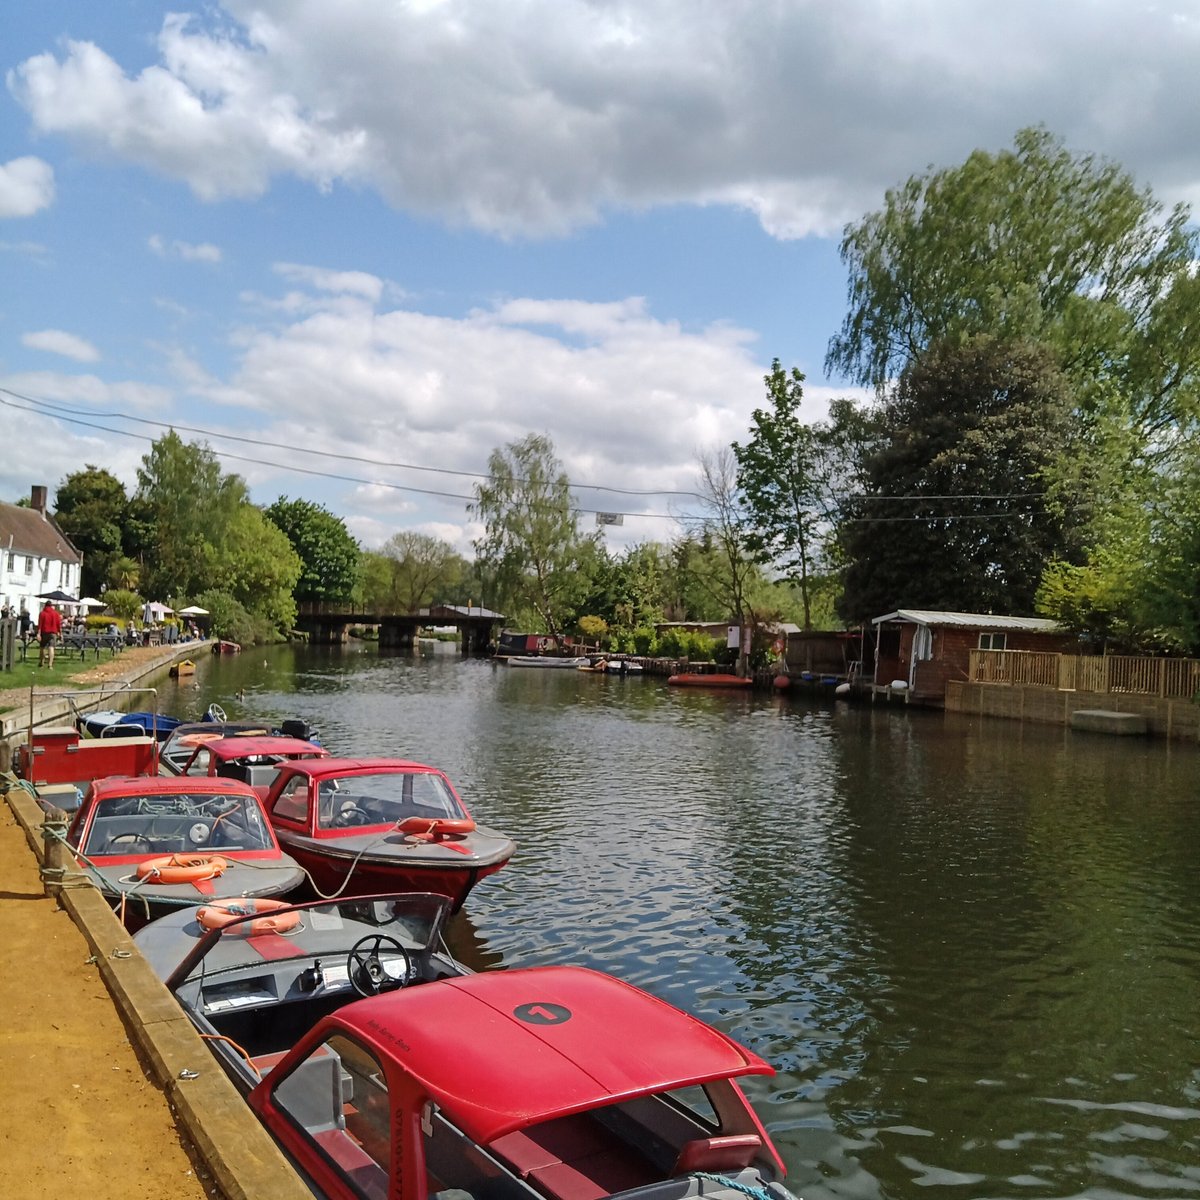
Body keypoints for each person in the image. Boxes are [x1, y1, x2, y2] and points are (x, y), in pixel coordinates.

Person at [37, 600, 62, 669]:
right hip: (53, 632)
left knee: (42, 647)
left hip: (44, 632)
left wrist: (38, 633)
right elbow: (58, 624)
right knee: (51, 647)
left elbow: (40, 624)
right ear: (51, 606)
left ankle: (41, 663)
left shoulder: (42, 613)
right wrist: (60, 633)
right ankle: (50, 664)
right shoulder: (56, 613)